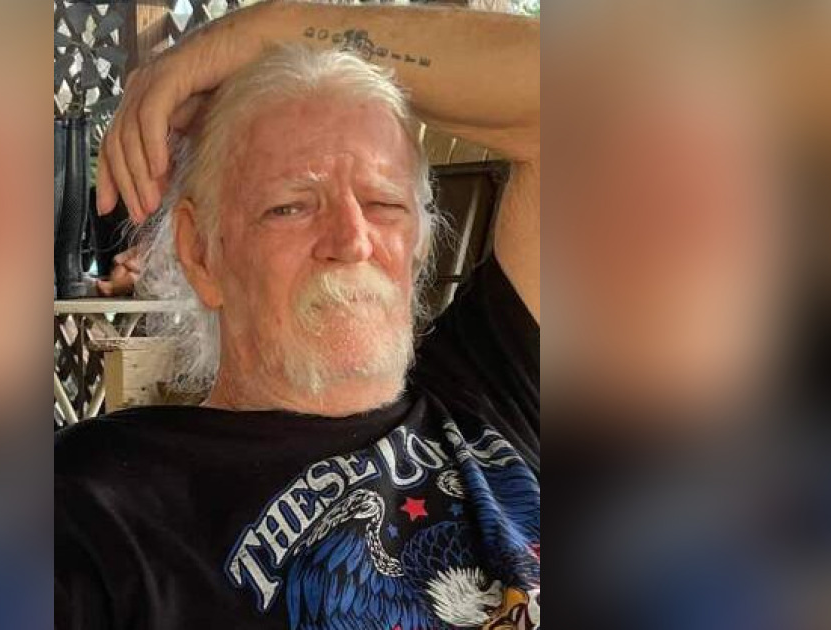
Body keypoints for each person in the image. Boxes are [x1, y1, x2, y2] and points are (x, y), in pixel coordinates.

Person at [55, 2, 539, 628]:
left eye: (384, 203)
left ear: (420, 241)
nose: (352, 240)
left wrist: (260, 31)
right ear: (201, 253)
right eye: (290, 207)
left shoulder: (493, 387)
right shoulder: (93, 509)